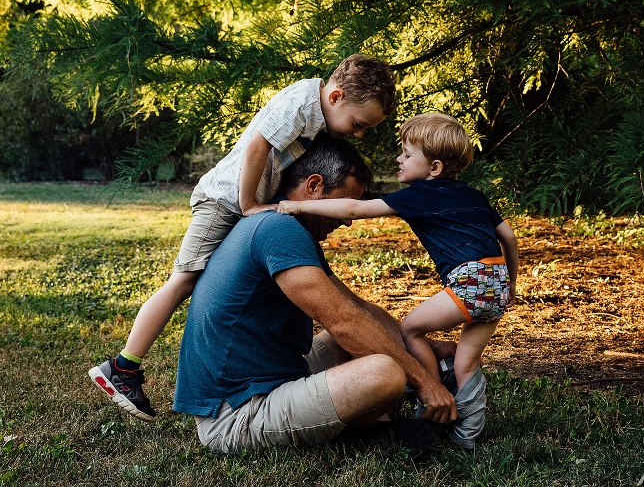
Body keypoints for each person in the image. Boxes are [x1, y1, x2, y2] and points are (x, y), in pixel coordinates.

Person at [89, 54, 396, 421]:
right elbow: (257, 146)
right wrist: (249, 204)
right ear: (336, 97)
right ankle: (123, 367)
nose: (359, 134)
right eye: (359, 124)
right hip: (223, 199)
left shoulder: (318, 116)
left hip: (240, 202)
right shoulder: (300, 102)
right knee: (183, 280)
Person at [172, 136, 457, 452]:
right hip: (235, 415)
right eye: (344, 203)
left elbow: (356, 308)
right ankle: (363, 435)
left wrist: (426, 349)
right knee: (385, 372)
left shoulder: (284, 225)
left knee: (366, 337)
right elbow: (342, 321)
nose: (348, 220)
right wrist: (424, 382)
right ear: (314, 186)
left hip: (271, 379)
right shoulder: (280, 229)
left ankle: (366, 420)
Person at [278, 113, 519, 450]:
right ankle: (468, 435)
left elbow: (352, 209)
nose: (398, 159)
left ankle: (431, 397)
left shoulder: (421, 194)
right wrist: (511, 285)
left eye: (407, 154)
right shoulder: (474, 196)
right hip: (496, 282)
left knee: (411, 330)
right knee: (467, 362)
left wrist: (295, 205)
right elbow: (507, 236)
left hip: (470, 280)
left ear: (433, 168)